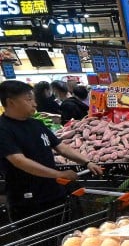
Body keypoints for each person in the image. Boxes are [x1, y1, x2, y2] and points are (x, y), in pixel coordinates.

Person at [0, 80, 103, 226]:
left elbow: (61, 147)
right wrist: (58, 174)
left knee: (67, 234)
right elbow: (19, 161)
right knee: (42, 238)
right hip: (28, 201)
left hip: (54, 193)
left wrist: (87, 162)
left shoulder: (36, 124)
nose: (34, 104)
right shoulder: (3, 129)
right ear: (11, 102)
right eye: (28, 99)